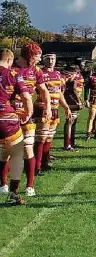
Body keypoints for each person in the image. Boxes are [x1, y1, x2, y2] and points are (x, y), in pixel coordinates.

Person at [1, 42, 50, 197]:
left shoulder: (36, 71)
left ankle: (30, 185)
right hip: (11, 118)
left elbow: (43, 91)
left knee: (28, 148)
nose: (39, 60)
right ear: (29, 56)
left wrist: (48, 107)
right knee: (6, 152)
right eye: (37, 57)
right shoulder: (10, 70)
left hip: (27, 117)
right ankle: (3, 184)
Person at [0, 49, 33, 205]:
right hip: (7, 119)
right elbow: (26, 97)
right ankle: (13, 193)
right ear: (9, 60)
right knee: (17, 154)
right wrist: (27, 113)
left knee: (2, 153)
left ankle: (2, 185)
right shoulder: (13, 74)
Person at [33, 53, 72, 174]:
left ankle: (44, 162)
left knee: (49, 137)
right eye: (48, 59)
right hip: (43, 109)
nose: (51, 61)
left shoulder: (57, 74)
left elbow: (59, 92)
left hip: (55, 109)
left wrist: (66, 107)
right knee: (41, 137)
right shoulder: (39, 73)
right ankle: (36, 166)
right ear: (43, 60)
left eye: (53, 59)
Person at [62, 65, 84, 151]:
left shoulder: (64, 82)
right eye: (74, 73)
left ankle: (70, 143)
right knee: (70, 123)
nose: (76, 75)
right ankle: (68, 144)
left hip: (68, 103)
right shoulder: (72, 82)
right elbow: (75, 91)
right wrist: (79, 101)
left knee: (71, 123)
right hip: (72, 103)